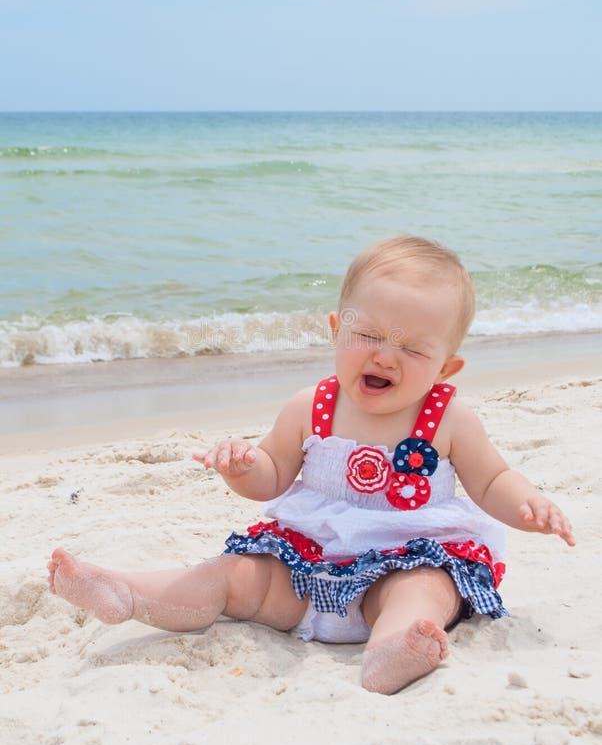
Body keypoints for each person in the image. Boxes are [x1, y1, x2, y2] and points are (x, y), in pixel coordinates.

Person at [47, 235, 575, 695]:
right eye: (368, 335)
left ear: (445, 367)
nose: (385, 357)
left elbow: (492, 480)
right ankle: (129, 591)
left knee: (425, 589)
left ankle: (393, 648)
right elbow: (271, 475)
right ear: (335, 331)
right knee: (231, 575)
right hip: (303, 570)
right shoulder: (309, 406)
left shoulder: (449, 418)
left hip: (402, 559)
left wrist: (527, 504)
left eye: (412, 349)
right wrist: (242, 466)